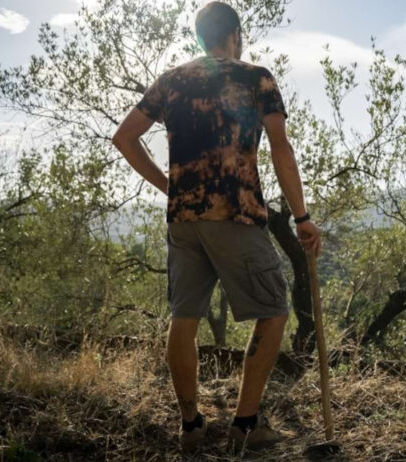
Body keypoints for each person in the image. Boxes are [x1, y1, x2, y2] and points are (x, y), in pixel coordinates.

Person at [111, 1, 321, 454]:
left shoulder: (173, 80)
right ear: (236, 34)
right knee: (274, 310)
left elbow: (124, 137)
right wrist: (301, 217)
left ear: (201, 37)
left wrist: (169, 186)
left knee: (183, 318)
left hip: (183, 218)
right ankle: (246, 424)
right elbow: (281, 149)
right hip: (235, 212)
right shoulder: (256, 77)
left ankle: (190, 426)